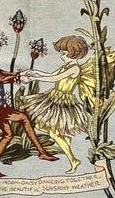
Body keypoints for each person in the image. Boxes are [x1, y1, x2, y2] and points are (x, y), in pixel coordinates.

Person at [0, 28, 58, 177]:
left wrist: (22, 74)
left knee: (8, 135)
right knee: (23, 120)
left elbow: (6, 74)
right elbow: (1, 79)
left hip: (1, 106)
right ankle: (41, 152)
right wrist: (18, 78)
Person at [21, 35, 93, 174]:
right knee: (38, 124)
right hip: (54, 98)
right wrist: (34, 72)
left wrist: (34, 77)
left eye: (63, 53)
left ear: (73, 53)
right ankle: (65, 140)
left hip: (63, 103)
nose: (61, 56)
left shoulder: (75, 68)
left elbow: (54, 78)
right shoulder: (67, 66)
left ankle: (73, 160)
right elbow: (51, 74)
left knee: (53, 133)